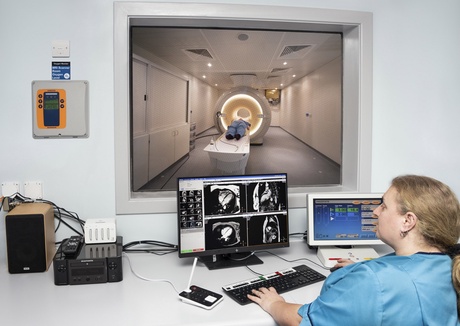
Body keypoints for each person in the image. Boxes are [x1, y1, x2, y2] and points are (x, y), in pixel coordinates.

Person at [248, 175, 460, 325]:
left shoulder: (374, 280)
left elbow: (300, 320)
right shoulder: (448, 263)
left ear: (408, 221)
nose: (376, 212)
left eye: (384, 206)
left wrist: (274, 303)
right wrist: (361, 269)